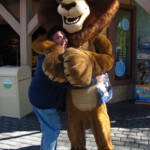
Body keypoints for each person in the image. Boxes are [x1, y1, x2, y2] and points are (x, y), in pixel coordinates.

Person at [29, 26, 112, 150]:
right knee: (52, 129)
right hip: (42, 102)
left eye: (64, 37)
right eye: (58, 38)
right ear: (51, 41)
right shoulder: (48, 62)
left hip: (43, 99)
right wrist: (94, 80)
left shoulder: (56, 54)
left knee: (50, 128)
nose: (64, 40)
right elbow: (68, 83)